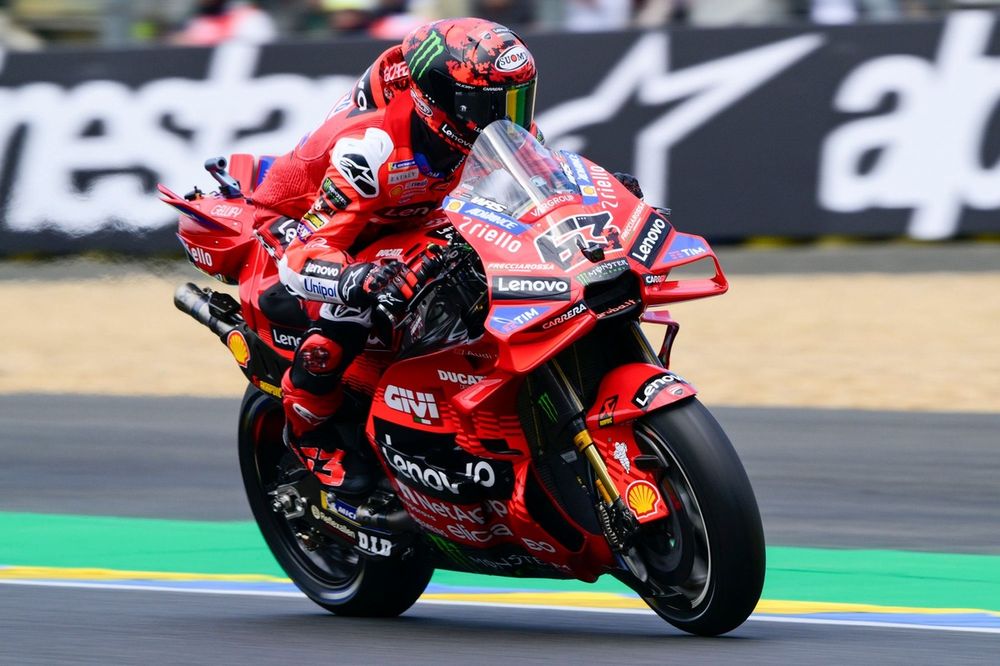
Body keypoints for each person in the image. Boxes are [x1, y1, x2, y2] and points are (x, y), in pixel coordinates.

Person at [251, 17, 540, 495]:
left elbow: (533, 192)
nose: (510, 115)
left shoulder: (492, 129)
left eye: (518, 99)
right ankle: (310, 436)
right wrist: (354, 279)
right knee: (341, 324)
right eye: (493, 103)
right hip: (303, 228)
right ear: (442, 102)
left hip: (410, 220)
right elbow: (305, 252)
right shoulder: (372, 149)